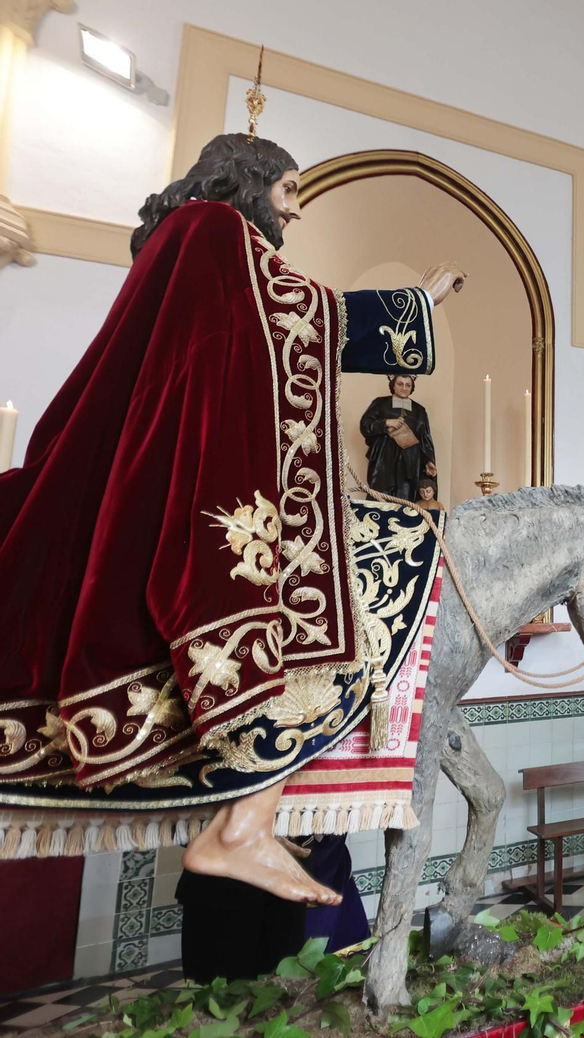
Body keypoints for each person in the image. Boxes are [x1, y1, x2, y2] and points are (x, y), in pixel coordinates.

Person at [0, 129, 465, 904]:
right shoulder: (213, 227)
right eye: (289, 192)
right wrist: (415, 307)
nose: (294, 212)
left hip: (162, 461)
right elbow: (287, 314)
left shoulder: (180, 242)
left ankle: (246, 822)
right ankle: (241, 829)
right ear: (246, 180)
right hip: (190, 472)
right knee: (314, 609)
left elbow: (262, 327)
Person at [359, 373, 437, 503]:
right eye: (400, 384)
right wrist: (386, 422)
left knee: (406, 497)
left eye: (408, 385)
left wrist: (429, 460)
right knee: (381, 495)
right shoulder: (380, 403)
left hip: (410, 460)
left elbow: (425, 437)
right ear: (393, 385)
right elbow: (365, 425)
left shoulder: (419, 410)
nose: (404, 388)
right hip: (384, 457)